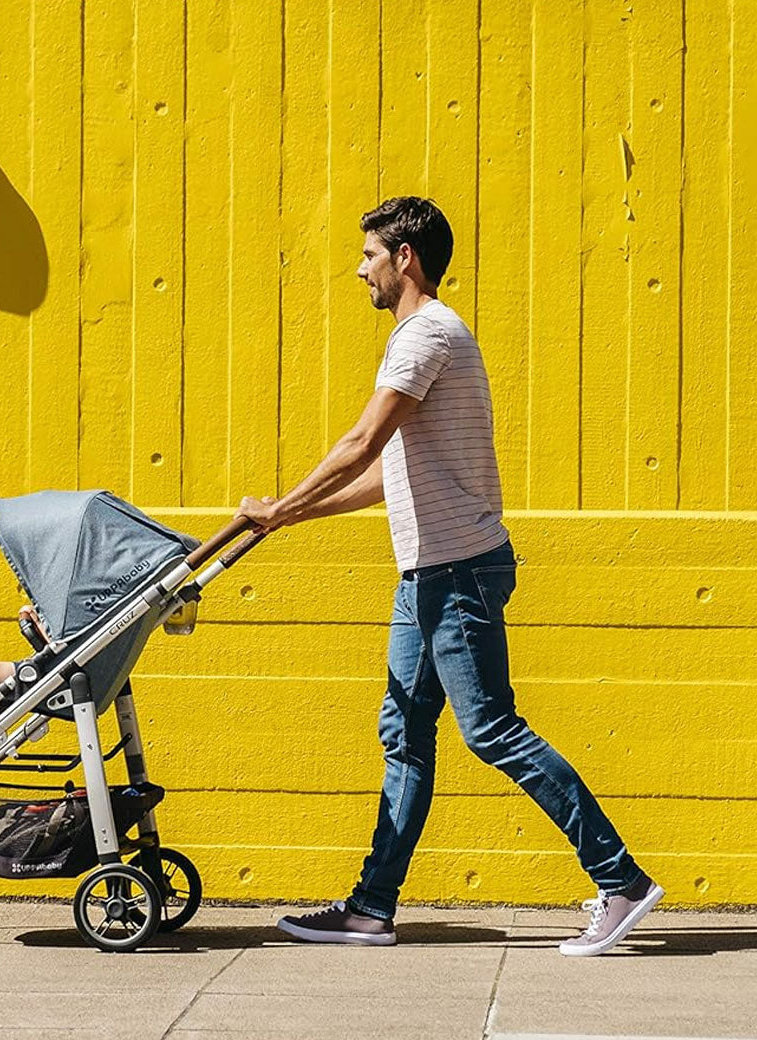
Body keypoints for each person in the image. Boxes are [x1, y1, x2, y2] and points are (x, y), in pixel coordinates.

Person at [237, 196, 663, 956]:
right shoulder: (424, 337)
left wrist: (280, 504)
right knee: (403, 733)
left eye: (369, 253)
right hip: (427, 573)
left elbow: (362, 442)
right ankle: (372, 908)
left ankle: (620, 879)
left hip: (456, 572)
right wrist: (296, 518)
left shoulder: (426, 333)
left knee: (492, 730)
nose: (359, 268)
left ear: (406, 258)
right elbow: (388, 475)